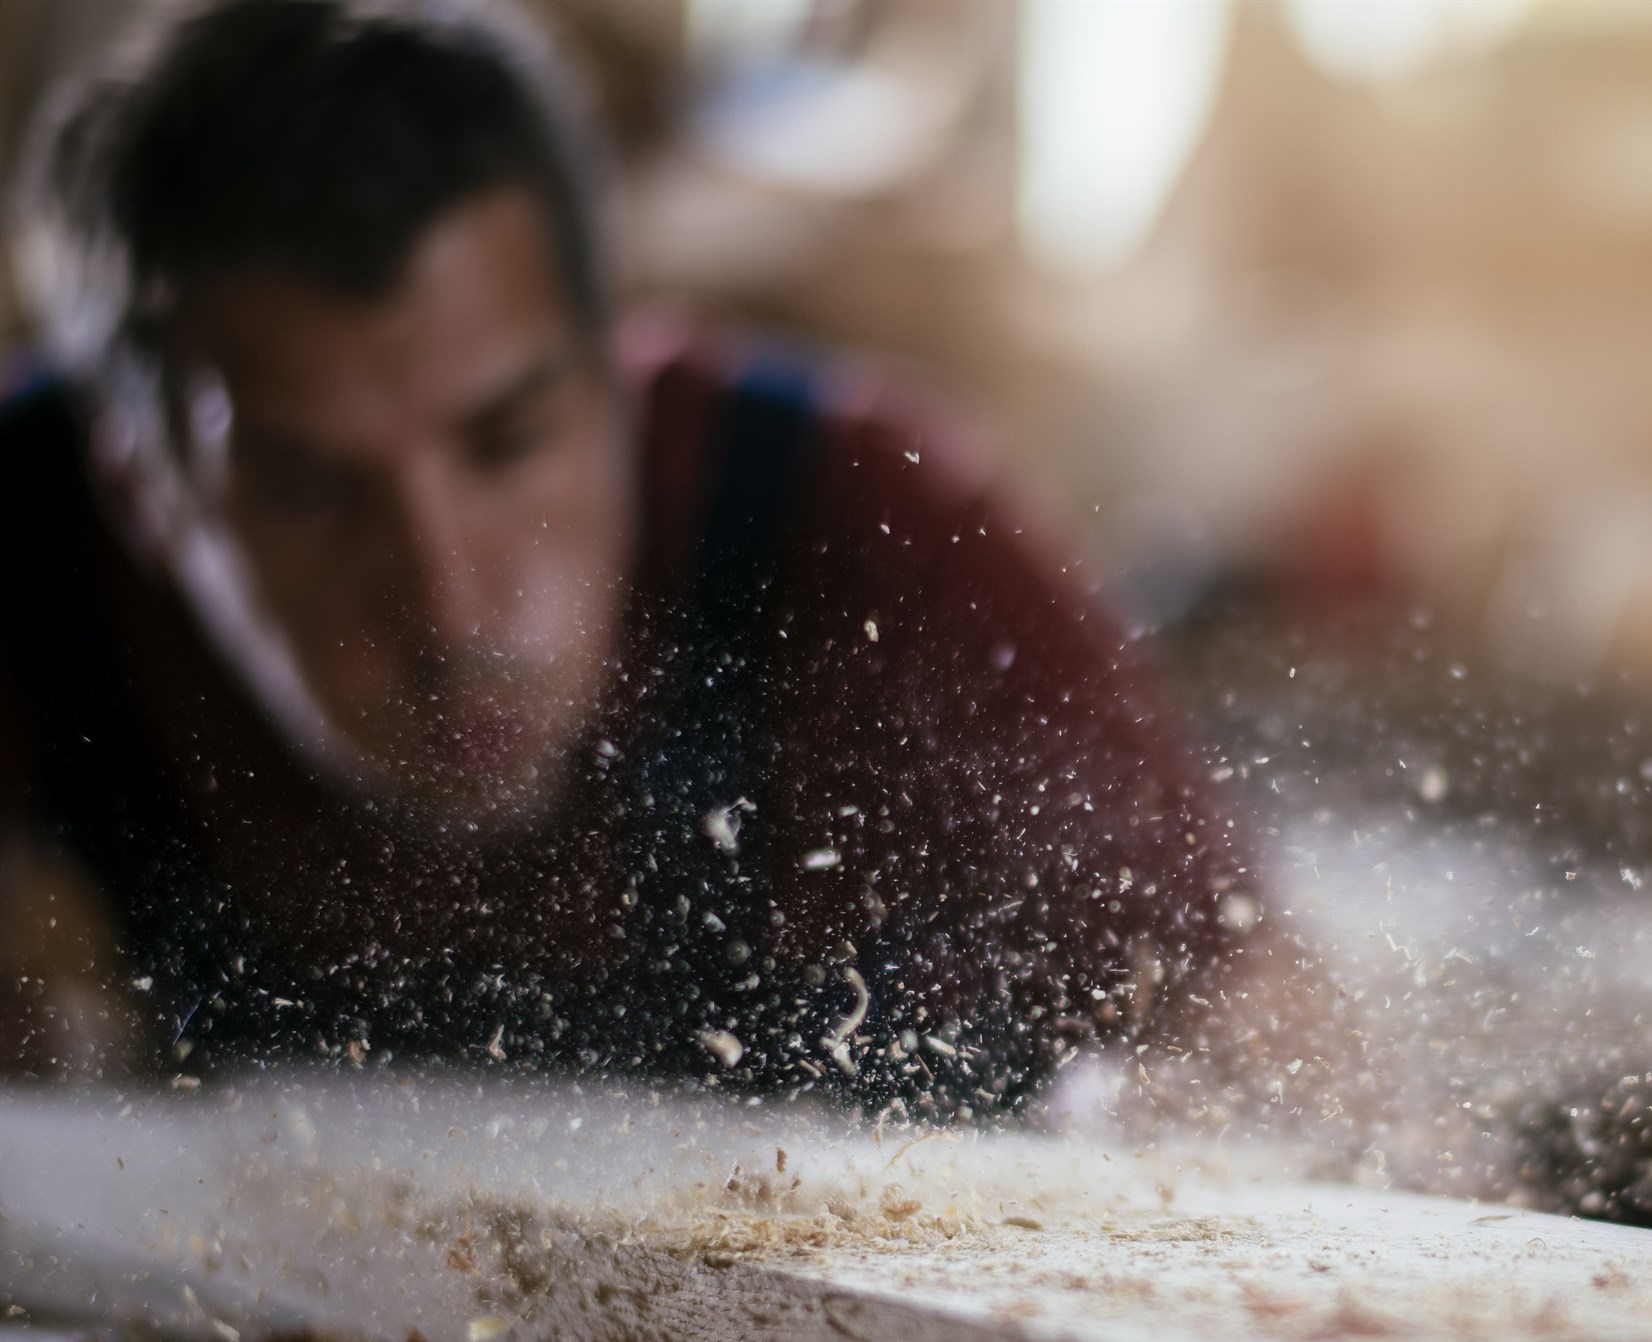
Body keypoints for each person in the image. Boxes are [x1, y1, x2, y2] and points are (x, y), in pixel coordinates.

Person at [0, 0, 1271, 1116]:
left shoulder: (868, 528)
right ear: (140, 488)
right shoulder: (29, 540)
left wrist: (1183, 1118)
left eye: (505, 443)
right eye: (310, 491)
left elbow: (1264, 1022)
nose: (447, 601)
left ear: (620, 370)